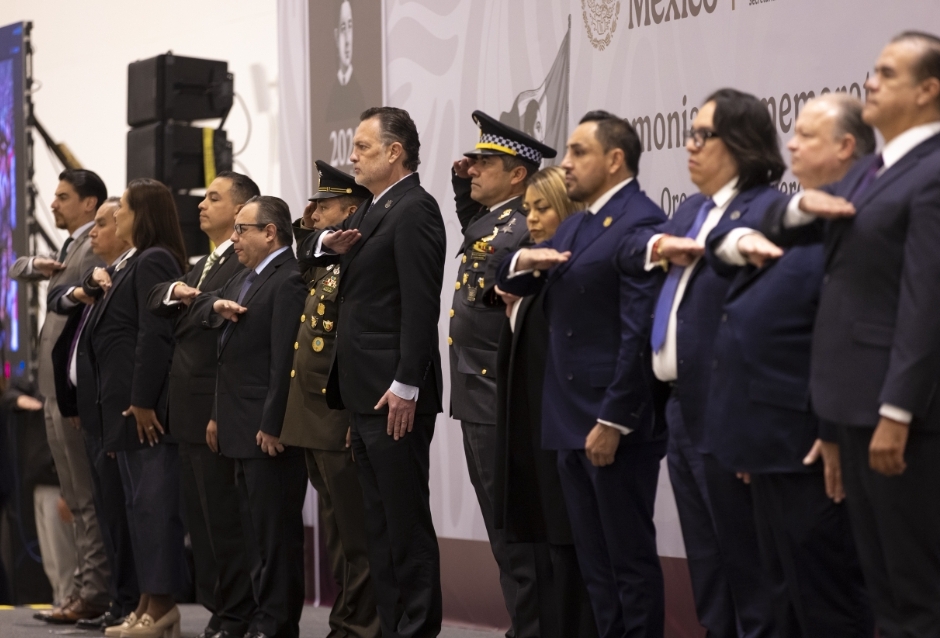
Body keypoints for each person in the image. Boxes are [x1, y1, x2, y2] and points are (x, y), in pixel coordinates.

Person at [761, 31, 940, 638]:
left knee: (915, 593)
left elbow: (925, 303)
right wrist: (799, 207)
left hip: (901, 415)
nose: (870, 81)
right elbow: (783, 215)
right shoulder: (874, 170)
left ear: (928, 89)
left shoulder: (932, 171)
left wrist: (897, 410)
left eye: (887, 73)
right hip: (852, 406)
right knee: (884, 588)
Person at [705, 93, 876, 637]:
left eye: (806, 135)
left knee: (826, 601)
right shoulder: (792, 212)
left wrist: (831, 429)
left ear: (845, 146)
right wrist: (743, 238)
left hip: (811, 444)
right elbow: (720, 243)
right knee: (779, 598)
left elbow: (846, 339)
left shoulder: (858, 216)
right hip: (766, 440)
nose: (792, 145)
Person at [496, 111, 667, 638]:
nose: (566, 163)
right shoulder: (576, 225)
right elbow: (507, 276)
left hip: (611, 422)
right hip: (567, 420)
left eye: (578, 152)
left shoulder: (640, 221)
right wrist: (523, 260)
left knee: (627, 564)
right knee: (596, 569)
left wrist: (613, 420)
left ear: (614, 160)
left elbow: (638, 333)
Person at [637, 89, 783, 638]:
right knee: (706, 558)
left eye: (703, 135)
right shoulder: (690, 210)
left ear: (741, 142)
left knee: (746, 559)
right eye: (691, 133)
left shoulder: (764, 209)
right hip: (679, 405)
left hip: (730, 408)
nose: (690, 145)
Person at [297, 106, 446, 638]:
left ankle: (416, 629)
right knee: (377, 528)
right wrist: (323, 243)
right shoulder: (371, 208)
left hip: (394, 394)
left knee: (404, 525)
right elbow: (305, 253)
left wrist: (407, 384)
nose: (353, 156)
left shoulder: (415, 209)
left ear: (394, 152)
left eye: (362, 147)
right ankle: (391, 628)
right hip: (363, 394)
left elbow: (420, 305)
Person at [449, 110, 554, 638]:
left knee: (514, 528)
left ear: (517, 174)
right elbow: (473, 223)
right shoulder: (496, 219)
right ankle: (525, 624)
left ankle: (532, 627)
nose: (472, 169)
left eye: (484, 163)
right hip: (478, 392)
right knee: (500, 526)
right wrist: (461, 184)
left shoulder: (521, 225)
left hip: (498, 393)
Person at [187, 196, 308, 638]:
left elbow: (284, 362)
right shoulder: (244, 277)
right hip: (236, 425)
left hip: (265, 431)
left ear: (270, 233)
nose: (234, 238)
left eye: (242, 229)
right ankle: (260, 619)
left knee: (275, 538)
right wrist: (217, 414)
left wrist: (274, 424)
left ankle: (277, 625)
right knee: (252, 535)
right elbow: (210, 323)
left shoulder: (287, 279)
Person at [148, 172, 259, 638]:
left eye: (214, 198)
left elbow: (214, 322)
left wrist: (193, 304)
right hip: (188, 412)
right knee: (203, 521)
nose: (201, 204)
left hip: (215, 408)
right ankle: (221, 609)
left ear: (241, 210)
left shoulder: (242, 262)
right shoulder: (203, 264)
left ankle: (236, 614)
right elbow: (157, 299)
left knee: (225, 520)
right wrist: (177, 293)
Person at [492, 166, 596, 638]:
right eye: (527, 209)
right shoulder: (531, 274)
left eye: (542, 208)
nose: (531, 219)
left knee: (572, 562)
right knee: (547, 556)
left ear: (568, 209)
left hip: (562, 436)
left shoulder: (571, 275)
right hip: (531, 434)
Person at [82, 178, 188, 638]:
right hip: (124, 410)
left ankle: (162, 604)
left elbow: (154, 332)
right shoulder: (133, 263)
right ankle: (147, 600)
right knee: (136, 508)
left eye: (122, 208)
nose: (116, 215)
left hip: (144, 410)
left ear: (142, 214)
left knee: (154, 507)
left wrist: (142, 400)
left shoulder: (154, 259)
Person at [279, 161, 379, 638]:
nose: (314, 213)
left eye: (325, 206)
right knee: (337, 530)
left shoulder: (361, 259)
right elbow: (298, 264)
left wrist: (351, 414)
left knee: (356, 533)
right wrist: (309, 229)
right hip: (312, 413)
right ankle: (346, 620)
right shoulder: (327, 259)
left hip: (336, 411)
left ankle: (360, 625)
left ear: (352, 210)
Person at [10, 168, 111, 624]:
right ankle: (83, 590)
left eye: (63, 196)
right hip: (52, 389)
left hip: (71, 391)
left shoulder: (94, 246)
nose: (53, 204)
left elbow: (78, 309)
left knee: (84, 497)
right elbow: (16, 268)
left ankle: (94, 591)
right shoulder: (70, 247)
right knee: (74, 493)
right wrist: (39, 265)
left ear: (89, 203)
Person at [49, 197, 140, 631]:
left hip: (115, 410)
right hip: (86, 407)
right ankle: (113, 599)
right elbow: (58, 297)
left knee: (117, 511)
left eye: (105, 223)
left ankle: (120, 599)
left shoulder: (137, 269)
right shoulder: (100, 273)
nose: (96, 233)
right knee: (100, 509)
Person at [326, 0, 365, 122]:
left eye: (350, 26)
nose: (348, 40)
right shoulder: (331, 95)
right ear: (336, 36)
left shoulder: (359, 93)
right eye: (343, 28)